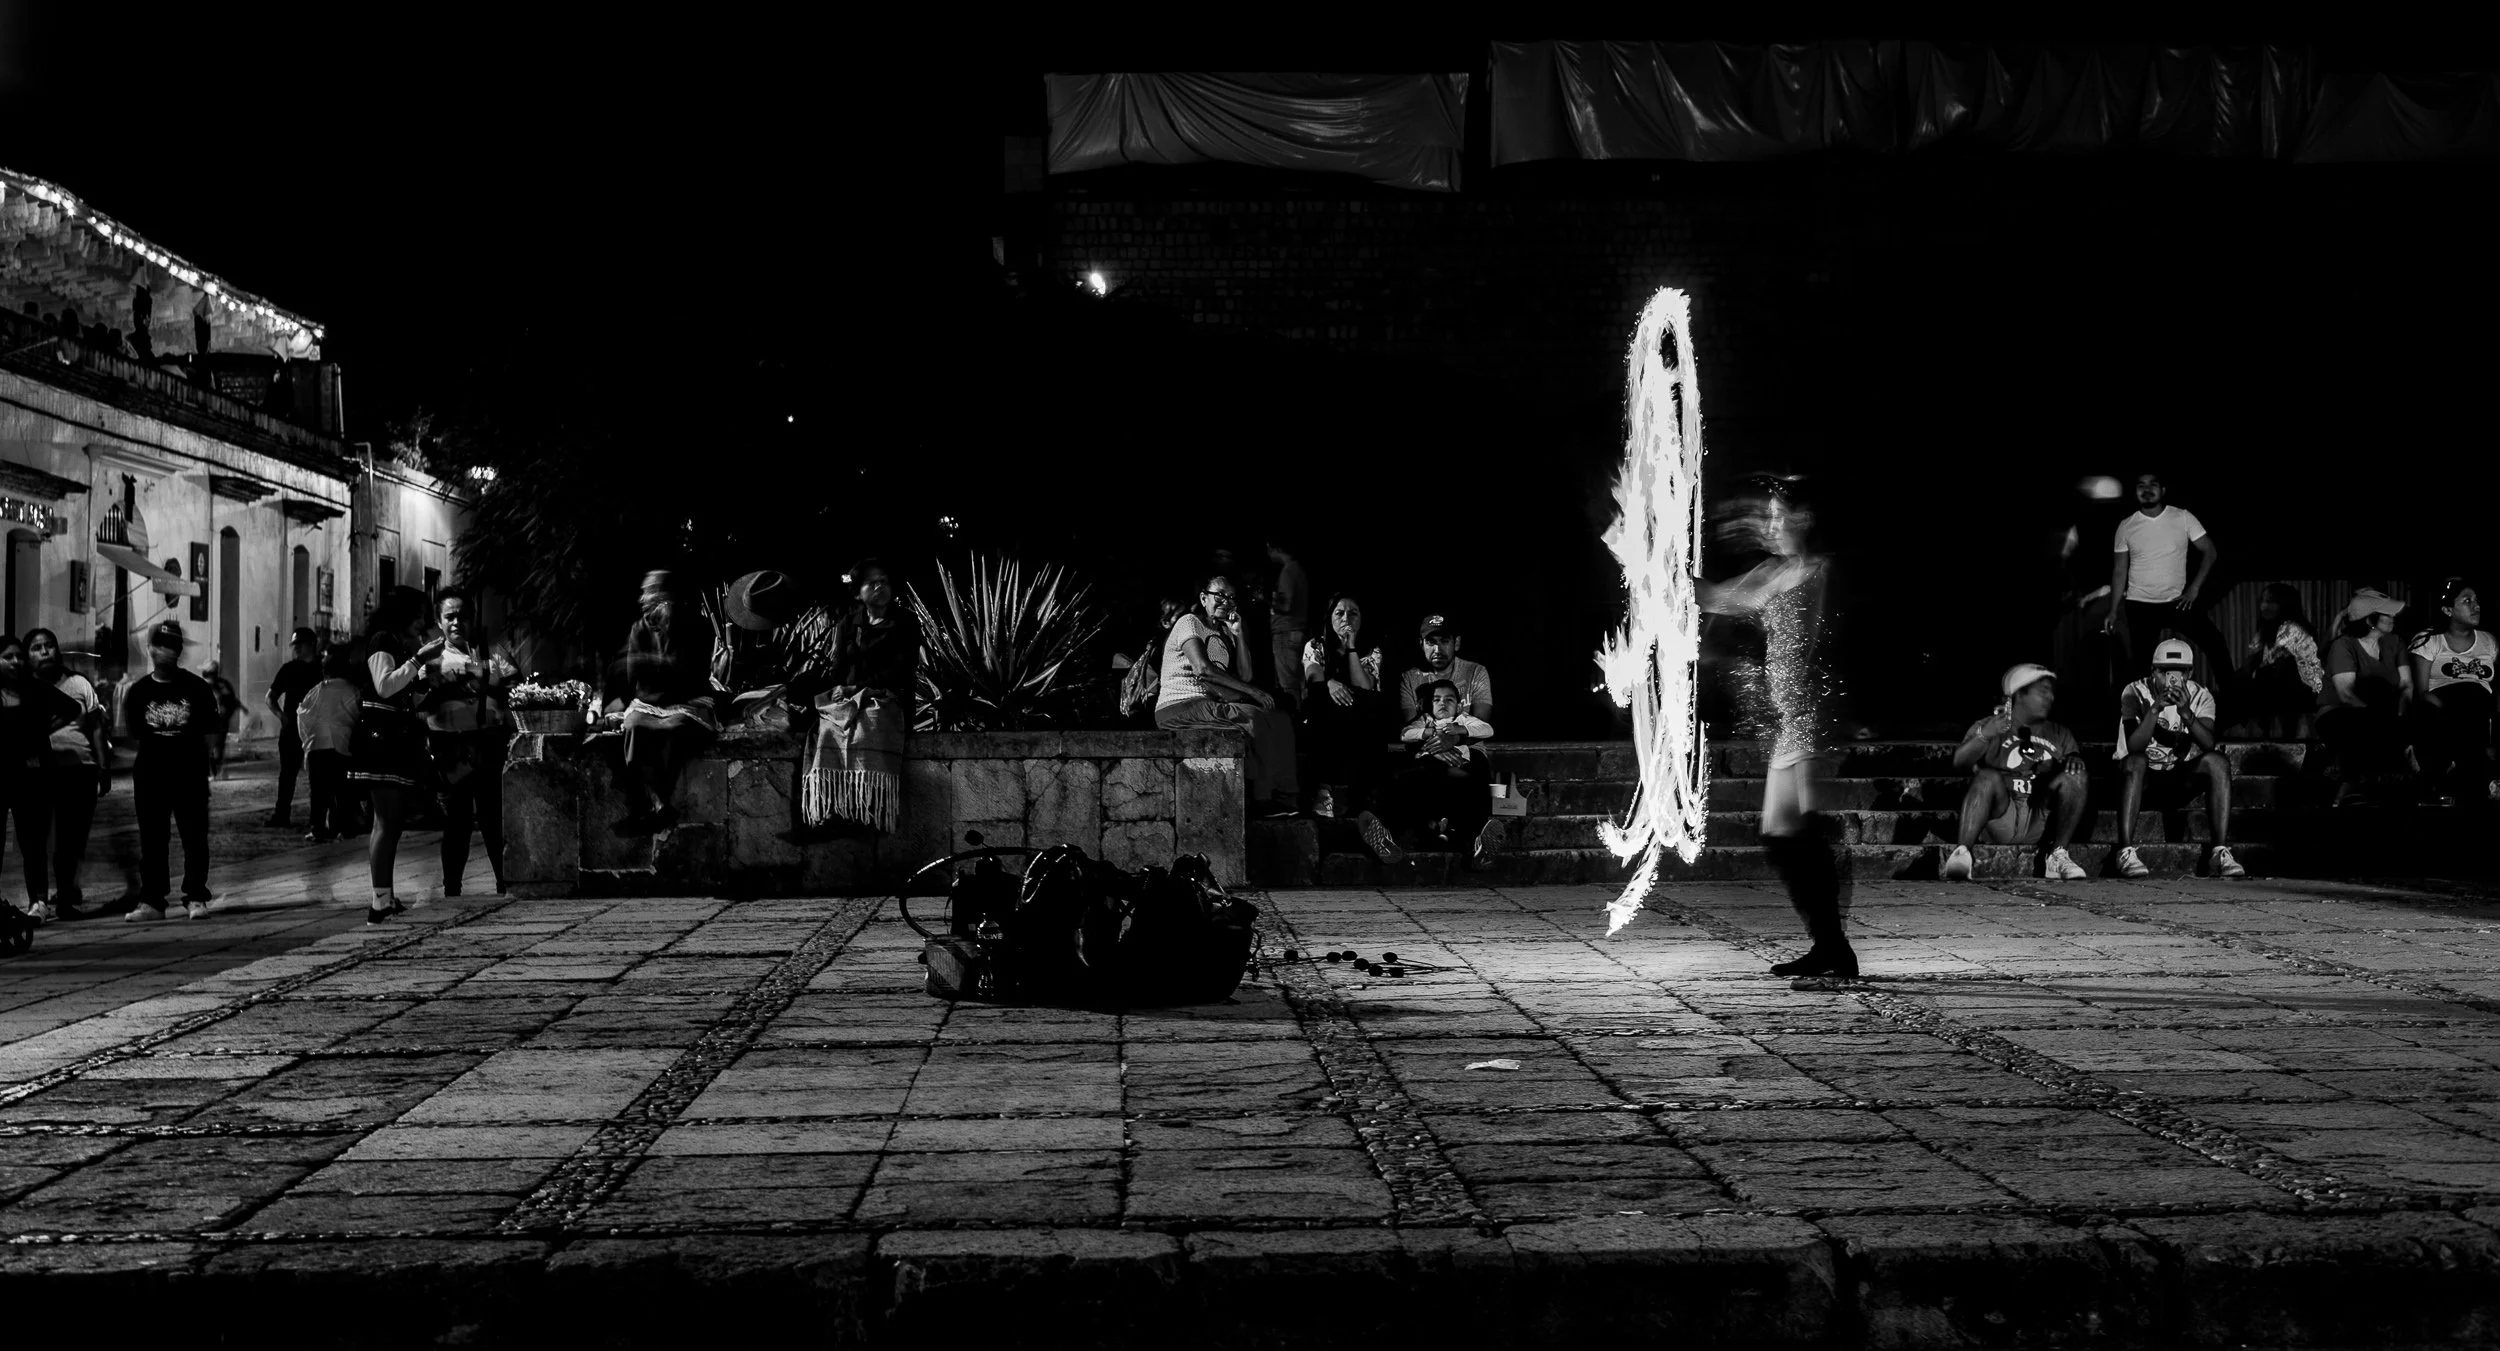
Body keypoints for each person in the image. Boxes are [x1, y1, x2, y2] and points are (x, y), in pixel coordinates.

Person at [1698, 476, 1856, 977]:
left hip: (1813, 716)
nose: (1768, 525)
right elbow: (1720, 598)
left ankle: (1834, 947)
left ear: (1804, 519)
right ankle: (1828, 944)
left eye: (1777, 515)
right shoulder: (1775, 571)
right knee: (1781, 834)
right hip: (1791, 721)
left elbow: (1819, 640)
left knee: (1802, 831)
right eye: (1765, 516)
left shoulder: (1816, 572)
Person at [782, 561, 917, 839]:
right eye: (872, 583)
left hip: (887, 696)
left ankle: (867, 807)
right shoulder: (848, 622)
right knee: (828, 727)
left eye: (884, 582)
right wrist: (841, 690)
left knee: (869, 723)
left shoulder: (905, 622)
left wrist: (862, 688)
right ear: (858, 593)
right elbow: (837, 668)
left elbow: (902, 669)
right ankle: (832, 808)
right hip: (849, 695)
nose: (880, 587)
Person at [1156, 573, 1299, 817]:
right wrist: (1253, 693)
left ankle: (1287, 795)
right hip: (1179, 706)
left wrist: (1239, 635)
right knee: (1253, 718)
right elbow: (1203, 670)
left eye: (1231, 597)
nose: (1226, 601)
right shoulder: (1189, 622)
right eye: (1219, 595)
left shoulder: (1224, 635)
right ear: (1203, 598)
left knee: (1280, 719)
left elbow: (1244, 676)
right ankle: (1263, 799)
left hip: (1208, 705)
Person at [1942, 665, 2090, 883]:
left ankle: (2057, 855)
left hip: (2039, 814)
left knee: (2077, 776)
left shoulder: (2059, 732)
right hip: (2002, 812)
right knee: (1987, 777)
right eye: (2042, 691)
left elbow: (2073, 764)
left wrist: (2073, 760)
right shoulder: (1988, 725)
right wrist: (1986, 735)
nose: (2050, 697)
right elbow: (1959, 762)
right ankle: (1963, 854)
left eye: (2050, 691)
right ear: (2019, 694)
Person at [2112, 638, 2243, 879]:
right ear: (2153, 671)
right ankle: (2125, 851)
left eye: (2179, 672)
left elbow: (2208, 744)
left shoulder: (2201, 695)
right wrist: (2155, 709)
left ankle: (2220, 850)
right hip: (2142, 779)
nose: (2171, 679)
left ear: (2189, 673)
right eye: (2164, 672)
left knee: (2218, 762)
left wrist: (2185, 713)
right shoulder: (2135, 691)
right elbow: (2134, 746)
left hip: (2177, 777)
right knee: (2135, 761)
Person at [350, 586, 442, 922]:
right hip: (380, 742)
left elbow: (402, 693)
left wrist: (422, 678)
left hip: (393, 739)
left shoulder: (397, 643)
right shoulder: (383, 640)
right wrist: (420, 660)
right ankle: (379, 901)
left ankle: (384, 897)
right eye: (418, 614)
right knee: (387, 822)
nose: (423, 622)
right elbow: (385, 685)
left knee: (391, 821)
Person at [122, 620, 222, 921]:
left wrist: (210, 760)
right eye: (162, 645)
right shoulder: (139, 691)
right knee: (152, 838)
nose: (167, 651)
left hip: (189, 774)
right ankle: (152, 900)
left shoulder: (197, 688)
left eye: (174, 646)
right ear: (151, 649)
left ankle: (195, 895)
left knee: (194, 836)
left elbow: (211, 728)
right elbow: (135, 733)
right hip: (151, 775)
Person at [417, 592, 515, 895]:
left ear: (473, 619)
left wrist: (487, 682)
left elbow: (518, 689)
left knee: (493, 819)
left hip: (488, 745)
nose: (457, 622)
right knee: (456, 822)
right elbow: (418, 703)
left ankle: (505, 881)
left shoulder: (494, 653)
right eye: (450, 617)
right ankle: (452, 889)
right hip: (450, 749)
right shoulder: (429, 658)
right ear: (439, 622)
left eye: (462, 616)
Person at [616, 570, 719, 834]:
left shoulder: (698, 625)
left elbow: (694, 672)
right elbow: (633, 675)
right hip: (650, 703)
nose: (642, 599)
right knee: (634, 727)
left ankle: (651, 807)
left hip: (687, 701)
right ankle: (660, 804)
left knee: (676, 729)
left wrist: (655, 665)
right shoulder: (639, 628)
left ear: (666, 595)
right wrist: (659, 669)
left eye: (648, 592)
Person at [2102, 471, 2228, 687]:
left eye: (2153, 484)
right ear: (2136, 492)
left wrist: (2194, 588)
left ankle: (2233, 704)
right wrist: (2113, 610)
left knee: (2215, 644)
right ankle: (2140, 713)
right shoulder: (2126, 525)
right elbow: (2119, 570)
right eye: (2141, 485)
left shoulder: (2183, 517)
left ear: (2162, 491)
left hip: (2177, 602)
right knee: (2141, 665)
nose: (2147, 489)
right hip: (2140, 604)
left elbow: (2210, 552)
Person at [1365, 679, 1502, 870]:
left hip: (1457, 772)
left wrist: (1460, 731)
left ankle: (1479, 844)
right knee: (1403, 780)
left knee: (1472, 784)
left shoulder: (1462, 719)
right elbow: (1406, 734)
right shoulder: (1426, 720)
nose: (1443, 704)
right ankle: (1386, 837)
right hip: (1429, 774)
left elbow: (1487, 729)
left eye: (1449, 700)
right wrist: (1429, 734)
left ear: (1459, 705)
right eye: (1437, 699)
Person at [20, 629, 106, 921]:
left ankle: (67, 897)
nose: (44, 652)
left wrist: (102, 765)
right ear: (26, 656)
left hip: (79, 768)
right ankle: (39, 900)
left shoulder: (79, 684)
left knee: (71, 839)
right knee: (37, 838)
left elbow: (95, 727)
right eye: (36, 648)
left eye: (49, 646)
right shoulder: (25, 690)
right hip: (38, 770)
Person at [0, 635, 81, 925]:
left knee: (32, 841)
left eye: (18, 656)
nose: (15, 662)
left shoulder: (34, 688)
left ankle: (38, 901)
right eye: (7, 657)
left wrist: (44, 730)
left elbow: (73, 709)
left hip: (32, 774)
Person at [1299, 593, 1391, 819]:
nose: (1346, 618)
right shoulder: (1316, 646)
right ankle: (1323, 791)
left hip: (1358, 716)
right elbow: (1313, 679)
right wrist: (1331, 683)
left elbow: (1365, 686)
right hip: (1326, 716)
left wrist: (1351, 647)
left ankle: (1366, 803)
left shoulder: (1372, 651)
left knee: (1369, 701)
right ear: (1329, 618)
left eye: (1353, 613)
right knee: (1322, 695)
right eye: (1339, 613)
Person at [2318, 590, 2410, 807]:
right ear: (2369, 620)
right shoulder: (2344, 645)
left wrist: (2400, 715)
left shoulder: (2395, 642)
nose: (2392, 618)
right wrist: (2382, 720)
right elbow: (2346, 694)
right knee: (2361, 726)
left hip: (2382, 712)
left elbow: (2406, 685)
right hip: (2339, 713)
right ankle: (2347, 790)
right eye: (2386, 614)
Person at [2407, 580, 2495, 809]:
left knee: (2475, 702)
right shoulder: (2428, 640)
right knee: (2460, 716)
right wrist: (2451, 712)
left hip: (2480, 709)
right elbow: (2422, 692)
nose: (2476, 606)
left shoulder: (2489, 641)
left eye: (2476, 601)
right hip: (2442, 709)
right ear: (2447, 610)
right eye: (2467, 601)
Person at [2232, 583, 2322, 740]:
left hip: (2301, 689)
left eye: (2272, 602)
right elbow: (2252, 663)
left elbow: (2300, 670)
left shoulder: (2293, 630)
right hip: (2274, 689)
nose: (2265, 606)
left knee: (2273, 673)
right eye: (2264, 601)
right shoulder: (2265, 631)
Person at [296, 646, 359, 842]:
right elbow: (358, 716)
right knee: (343, 791)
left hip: (317, 747)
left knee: (318, 792)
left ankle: (318, 828)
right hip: (342, 746)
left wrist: (307, 741)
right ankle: (345, 827)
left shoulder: (315, 691)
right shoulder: (351, 690)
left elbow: (302, 715)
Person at [265, 628, 322, 826]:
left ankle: (318, 819)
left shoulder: (321, 669)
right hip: (292, 730)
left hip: (317, 729)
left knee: (318, 776)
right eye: (295, 644)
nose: (296, 648)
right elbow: (270, 697)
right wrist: (281, 716)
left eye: (300, 644)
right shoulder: (288, 669)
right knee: (288, 774)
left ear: (312, 644)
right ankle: (282, 814)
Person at [1398, 616, 1494, 723]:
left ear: (1456, 643)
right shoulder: (1409, 678)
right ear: (1421, 644)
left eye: (1444, 641)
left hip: (1466, 739)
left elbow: (1482, 723)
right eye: (1431, 642)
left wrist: (1454, 736)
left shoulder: (1476, 672)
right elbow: (1411, 728)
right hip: (1428, 739)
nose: (1437, 650)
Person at [1265, 539, 1310, 708]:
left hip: (1286, 633)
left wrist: (1268, 601)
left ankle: (1295, 725)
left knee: (1289, 685)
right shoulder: (1297, 569)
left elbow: (1285, 605)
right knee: (1301, 683)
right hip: (1296, 631)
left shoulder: (1289, 570)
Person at [199, 659, 240, 779]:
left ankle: (213, 771)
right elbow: (232, 702)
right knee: (217, 747)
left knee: (209, 747)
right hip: (220, 721)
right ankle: (216, 771)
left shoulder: (202, 685)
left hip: (210, 722)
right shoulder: (224, 684)